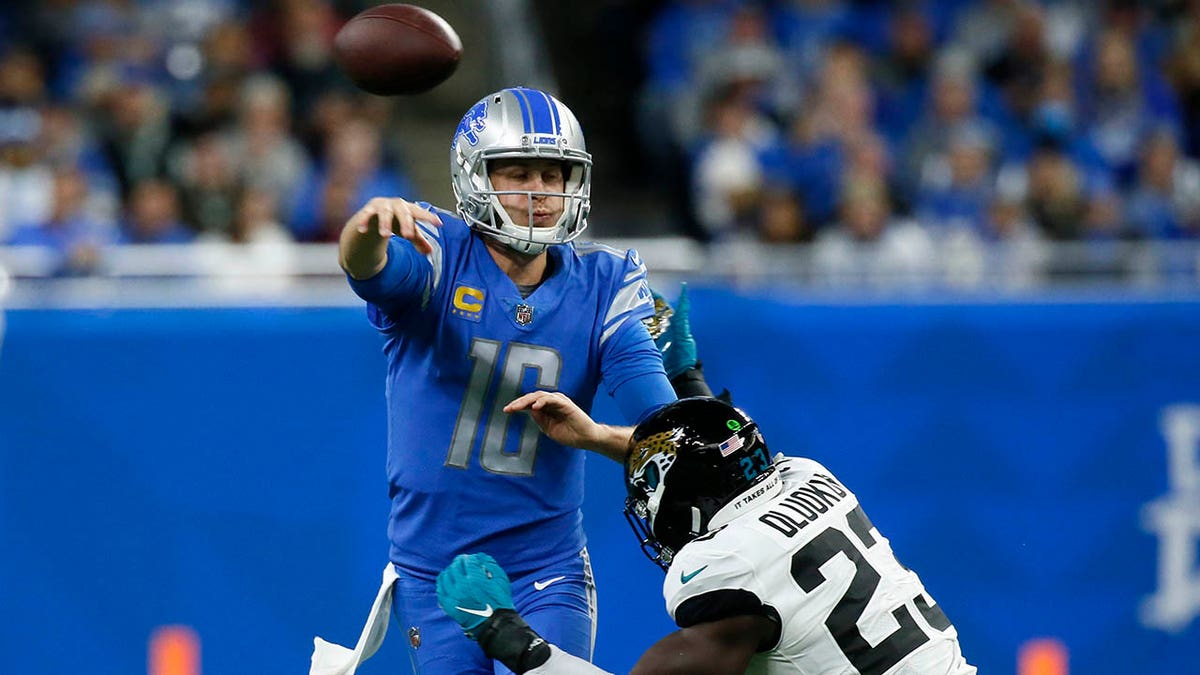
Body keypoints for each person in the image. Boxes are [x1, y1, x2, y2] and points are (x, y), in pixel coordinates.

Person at [326, 86, 705, 675]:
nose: (540, 193)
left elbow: (666, 433)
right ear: (474, 176)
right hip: (435, 572)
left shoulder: (605, 283)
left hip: (543, 566)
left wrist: (605, 429)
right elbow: (369, 269)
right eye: (519, 173)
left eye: (554, 175)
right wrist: (366, 227)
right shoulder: (439, 252)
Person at [437, 396, 977, 674]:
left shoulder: (727, 569)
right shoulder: (807, 476)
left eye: (651, 484)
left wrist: (508, 636)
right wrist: (602, 435)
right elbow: (724, 445)